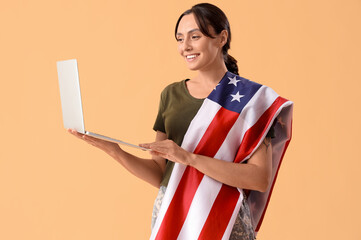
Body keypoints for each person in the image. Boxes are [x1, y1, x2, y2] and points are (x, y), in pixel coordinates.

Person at [69, 3, 293, 240]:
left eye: (194, 37)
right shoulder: (171, 95)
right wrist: (114, 151)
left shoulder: (252, 100)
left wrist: (189, 158)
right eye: (179, 39)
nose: (185, 47)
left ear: (221, 38)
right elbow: (161, 173)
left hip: (225, 219)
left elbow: (259, 178)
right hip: (173, 211)